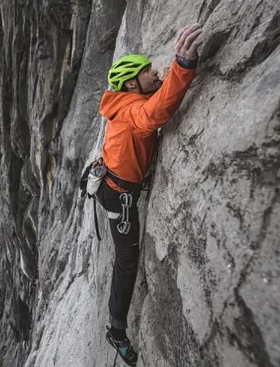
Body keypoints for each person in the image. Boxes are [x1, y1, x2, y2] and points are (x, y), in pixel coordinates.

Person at [98, 24, 203, 366]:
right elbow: (153, 114)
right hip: (119, 197)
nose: (155, 71)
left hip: (116, 184)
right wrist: (183, 65)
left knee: (126, 259)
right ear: (132, 84)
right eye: (148, 71)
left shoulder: (128, 99)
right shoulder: (131, 109)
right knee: (126, 262)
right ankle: (116, 329)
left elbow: (154, 103)